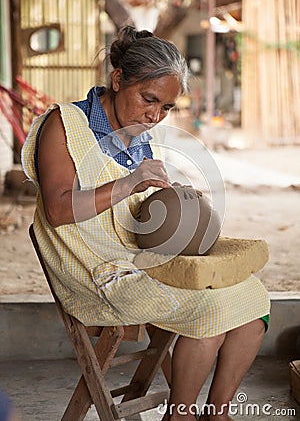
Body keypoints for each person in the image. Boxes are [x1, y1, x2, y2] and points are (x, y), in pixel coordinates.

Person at [22, 26, 270, 420]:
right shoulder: (65, 125)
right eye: (149, 99)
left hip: (138, 260)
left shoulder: (137, 136)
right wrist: (129, 182)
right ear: (118, 79)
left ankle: (217, 412)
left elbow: (134, 213)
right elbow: (57, 210)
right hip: (94, 273)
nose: (155, 116)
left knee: (253, 298)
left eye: (166, 108)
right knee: (210, 307)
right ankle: (181, 413)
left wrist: (176, 202)